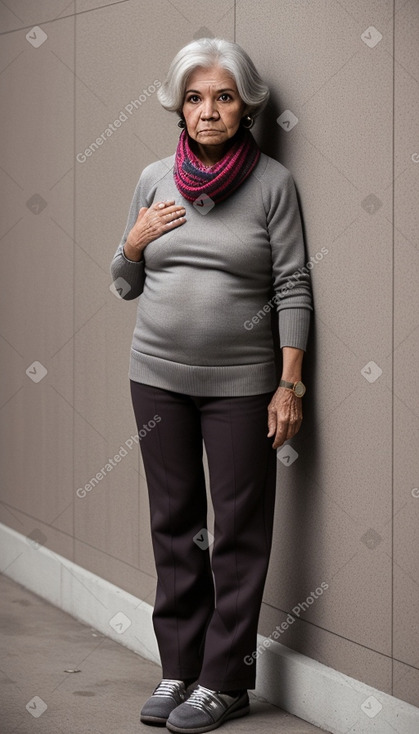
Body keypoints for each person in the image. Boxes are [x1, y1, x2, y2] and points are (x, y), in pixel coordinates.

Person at [110, 37, 312, 734]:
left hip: (241, 388)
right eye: (194, 97)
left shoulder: (272, 186)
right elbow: (123, 283)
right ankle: (179, 669)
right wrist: (131, 246)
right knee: (175, 527)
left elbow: (291, 286)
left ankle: (224, 682)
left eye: (222, 96)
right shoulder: (151, 178)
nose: (207, 110)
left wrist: (289, 384)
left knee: (236, 535)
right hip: (155, 380)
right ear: (177, 106)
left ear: (245, 105)